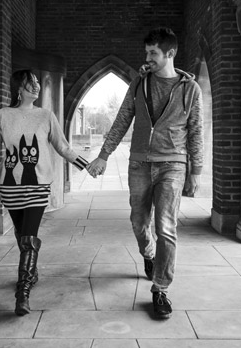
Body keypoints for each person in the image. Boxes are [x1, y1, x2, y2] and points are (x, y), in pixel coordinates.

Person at [86, 27, 203, 319]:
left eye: (153, 53)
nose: (147, 57)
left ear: (169, 54)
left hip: (173, 165)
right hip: (139, 163)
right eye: (146, 52)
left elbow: (196, 132)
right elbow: (123, 118)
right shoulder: (140, 82)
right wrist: (103, 155)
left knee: (166, 227)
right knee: (139, 222)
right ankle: (148, 254)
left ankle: (160, 289)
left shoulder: (190, 89)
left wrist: (196, 171)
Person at [0, 70, 92, 316]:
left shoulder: (46, 116)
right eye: (30, 84)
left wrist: (86, 164)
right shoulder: (3, 115)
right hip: (11, 187)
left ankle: (22, 292)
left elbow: (62, 146)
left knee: (28, 238)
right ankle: (31, 272)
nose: (36, 87)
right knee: (22, 236)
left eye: (36, 83)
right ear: (19, 89)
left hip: (38, 186)